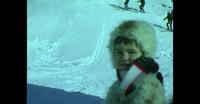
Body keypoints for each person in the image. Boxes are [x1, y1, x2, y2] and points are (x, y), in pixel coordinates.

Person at [104, 20, 166, 104]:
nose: (124, 58)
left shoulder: (148, 89)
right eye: (119, 52)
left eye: (132, 52)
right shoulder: (120, 84)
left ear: (145, 54)